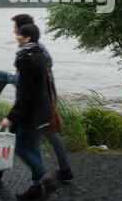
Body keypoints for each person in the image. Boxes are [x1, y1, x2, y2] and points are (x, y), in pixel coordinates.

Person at [0, 24, 59, 201]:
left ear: (27, 38)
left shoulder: (26, 60)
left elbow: (25, 94)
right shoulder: (41, 56)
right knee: (33, 149)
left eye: (19, 35)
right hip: (43, 111)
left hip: (32, 114)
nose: (17, 37)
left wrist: (10, 117)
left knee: (22, 148)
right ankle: (36, 189)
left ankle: (46, 178)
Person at [10, 14, 74, 182]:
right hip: (34, 101)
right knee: (18, 135)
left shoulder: (35, 49)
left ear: (23, 29)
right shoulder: (28, 49)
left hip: (36, 102)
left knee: (42, 136)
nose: (14, 30)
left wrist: (22, 79)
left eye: (16, 28)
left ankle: (44, 177)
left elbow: (45, 67)